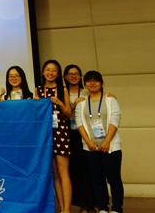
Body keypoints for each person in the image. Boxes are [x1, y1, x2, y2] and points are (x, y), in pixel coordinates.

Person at [76, 71, 123, 213]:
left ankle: (116, 209)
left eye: (96, 80)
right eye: (89, 80)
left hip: (111, 147)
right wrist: (88, 143)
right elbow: (79, 123)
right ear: (85, 84)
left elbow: (115, 120)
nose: (92, 83)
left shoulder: (110, 99)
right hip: (90, 148)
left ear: (101, 83)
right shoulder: (81, 102)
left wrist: (107, 142)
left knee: (114, 179)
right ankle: (103, 208)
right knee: (97, 180)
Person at [35, 59, 72, 213]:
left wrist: (60, 103)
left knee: (64, 172)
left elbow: (69, 114)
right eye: (48, 69)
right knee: (54, 173)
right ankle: (61, 207)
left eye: (54, 70)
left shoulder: (63, 90)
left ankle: (67, 209)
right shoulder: (38, 90)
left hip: (60, 131)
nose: (50, 73)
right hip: (45, 133)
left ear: (58, 74)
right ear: (43, 72)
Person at [64, 64, 96, 213]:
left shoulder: (87, 92)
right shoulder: (62, 92)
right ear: (65, 77)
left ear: (81, 76)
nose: (73, 76)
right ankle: (82, 204)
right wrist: (72, 105)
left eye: (76, 74)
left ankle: (91, 204)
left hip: (87, 133)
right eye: (70, 74)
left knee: (89, 169)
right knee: (75, 170)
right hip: (69, 134)